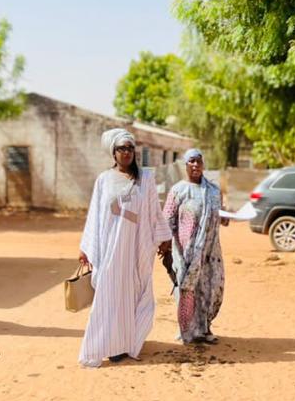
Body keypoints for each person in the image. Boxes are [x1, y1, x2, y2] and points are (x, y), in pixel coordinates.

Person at [78, 129, 171, 367]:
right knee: (109, 298)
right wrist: (86, 248)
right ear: (113, 153)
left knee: (134, 295)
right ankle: (104, 345)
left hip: (137, 248)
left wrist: (163, 239)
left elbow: (154, 211)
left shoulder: (146, 179)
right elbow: (95, 217)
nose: (127, 152)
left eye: (130, 148)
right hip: (111, 250)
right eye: (122, 148)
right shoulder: (104, 180)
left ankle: (127, 343)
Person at [162, 148, 227, 345]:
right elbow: (167, 220)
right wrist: (165, 248)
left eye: (199, 161)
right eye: (191, 161)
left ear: (204, 164)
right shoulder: (178, 191)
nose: (196, 165)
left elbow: (220, 215)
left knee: (212, 288)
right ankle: (188, 331)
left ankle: (205, 328)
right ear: (185, 165)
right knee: (188, 289)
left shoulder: (214, 191)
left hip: (210, 252)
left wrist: (225, 219)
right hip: (185, 252)